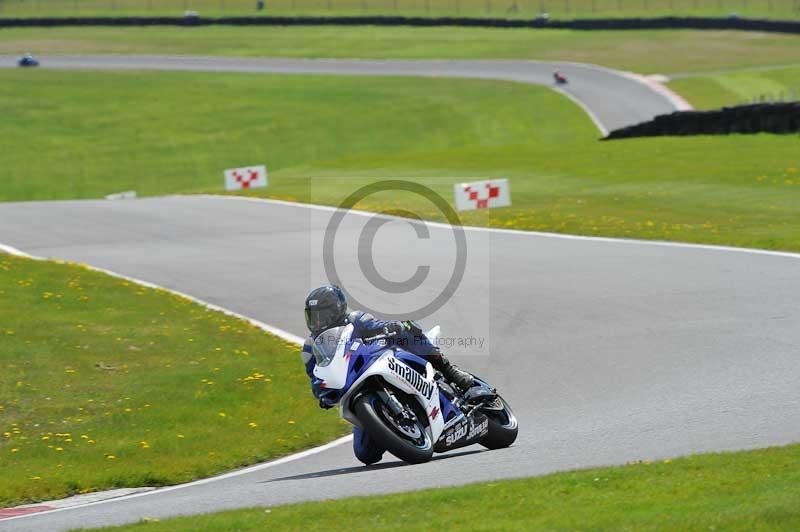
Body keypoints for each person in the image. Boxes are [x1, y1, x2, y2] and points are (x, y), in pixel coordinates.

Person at [300, 284, 474, 464]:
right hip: (354, 385)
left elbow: (379, 325)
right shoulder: (311, 347)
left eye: (322, 315)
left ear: (337, 309)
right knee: (365, 454)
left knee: (407, 328)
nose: (317, 322)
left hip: (383, 360)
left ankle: (451, 372)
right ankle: (394, 425)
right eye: (312, 317)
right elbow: (316, 376)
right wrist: (322, 394)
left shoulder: (356, 319)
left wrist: (389, 327)